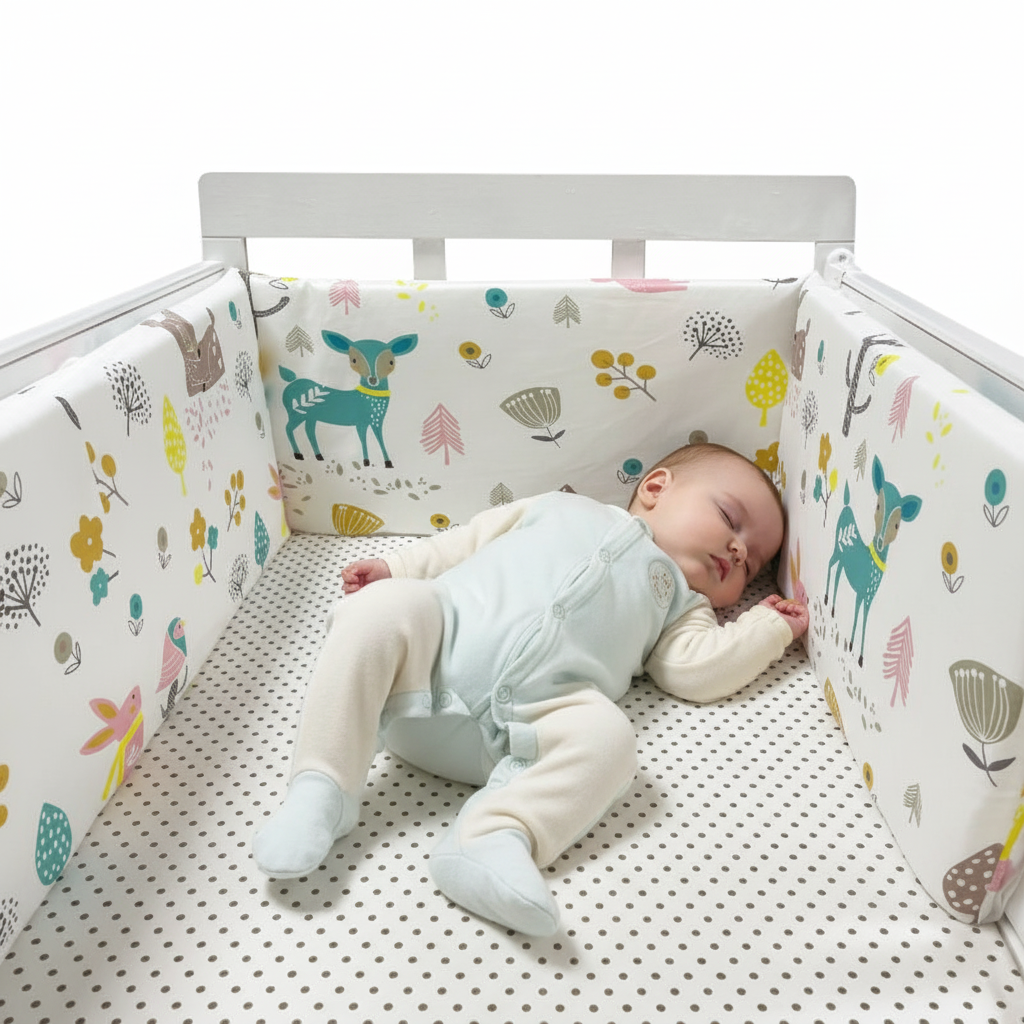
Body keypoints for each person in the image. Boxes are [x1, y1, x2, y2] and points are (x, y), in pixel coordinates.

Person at [253, 442, 809, 935]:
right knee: (382, 609)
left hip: (524, 729)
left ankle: (493, 835)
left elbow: (697, 669)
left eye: (754, 562)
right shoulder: (564, 507)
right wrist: (397, 568)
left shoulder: (682, 606)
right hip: (423, 665)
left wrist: (768, 629)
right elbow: (467, 541)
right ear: (657, 487)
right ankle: (324, 786)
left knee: (610, 738)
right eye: (730, 519)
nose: (739, 551)